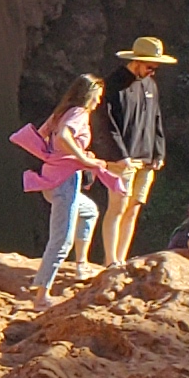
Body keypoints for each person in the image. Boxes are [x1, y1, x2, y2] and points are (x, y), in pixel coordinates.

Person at [19, 76, 121, 305]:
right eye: (97, 97)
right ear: (89, 94)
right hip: (65, 183)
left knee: (89, 211)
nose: (98, 102)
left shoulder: (61, 112)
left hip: (51, 178)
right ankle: (42, 296)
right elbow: (65, 135)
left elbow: (42, 134)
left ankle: (81, 265)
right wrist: (82, 157)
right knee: (61, 240)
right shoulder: (78, 113)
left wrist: (61, 156)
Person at [96, 39, 175, 266]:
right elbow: (105, 124)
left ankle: (121, 258)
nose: (153, 70)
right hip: (121, 160)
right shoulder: (112, 85)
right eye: (150, 65)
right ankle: (110, 260)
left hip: (146, 159)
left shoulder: (150, 85)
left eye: (156, 66)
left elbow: (156, 121)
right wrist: (120, 155)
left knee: (134, 208)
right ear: (136, 60)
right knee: (118, 207)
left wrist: (158, 153)